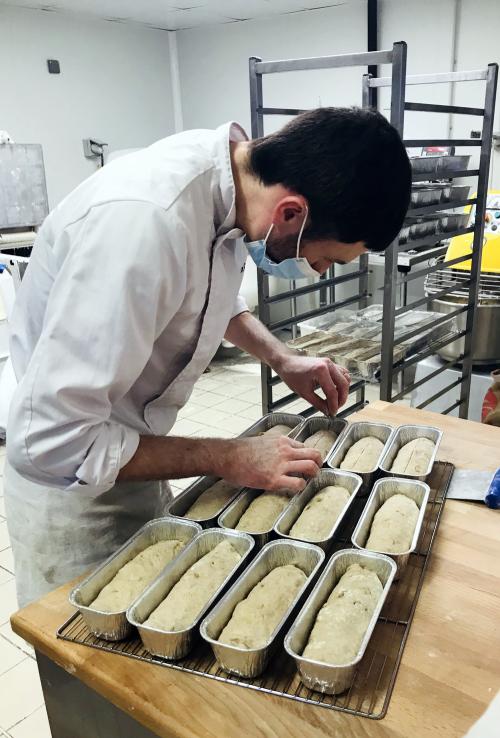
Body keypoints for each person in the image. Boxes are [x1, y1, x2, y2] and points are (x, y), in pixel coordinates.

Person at [4, 107, 411, 606]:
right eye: (327, 258)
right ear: (291, 213)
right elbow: (48, 444)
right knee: (84, 643)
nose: (321, 271)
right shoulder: (144, 224)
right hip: (72, 494)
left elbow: (207, 297)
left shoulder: (228, 186)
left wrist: (282, 358)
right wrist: (227, 455)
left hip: (136, 454)